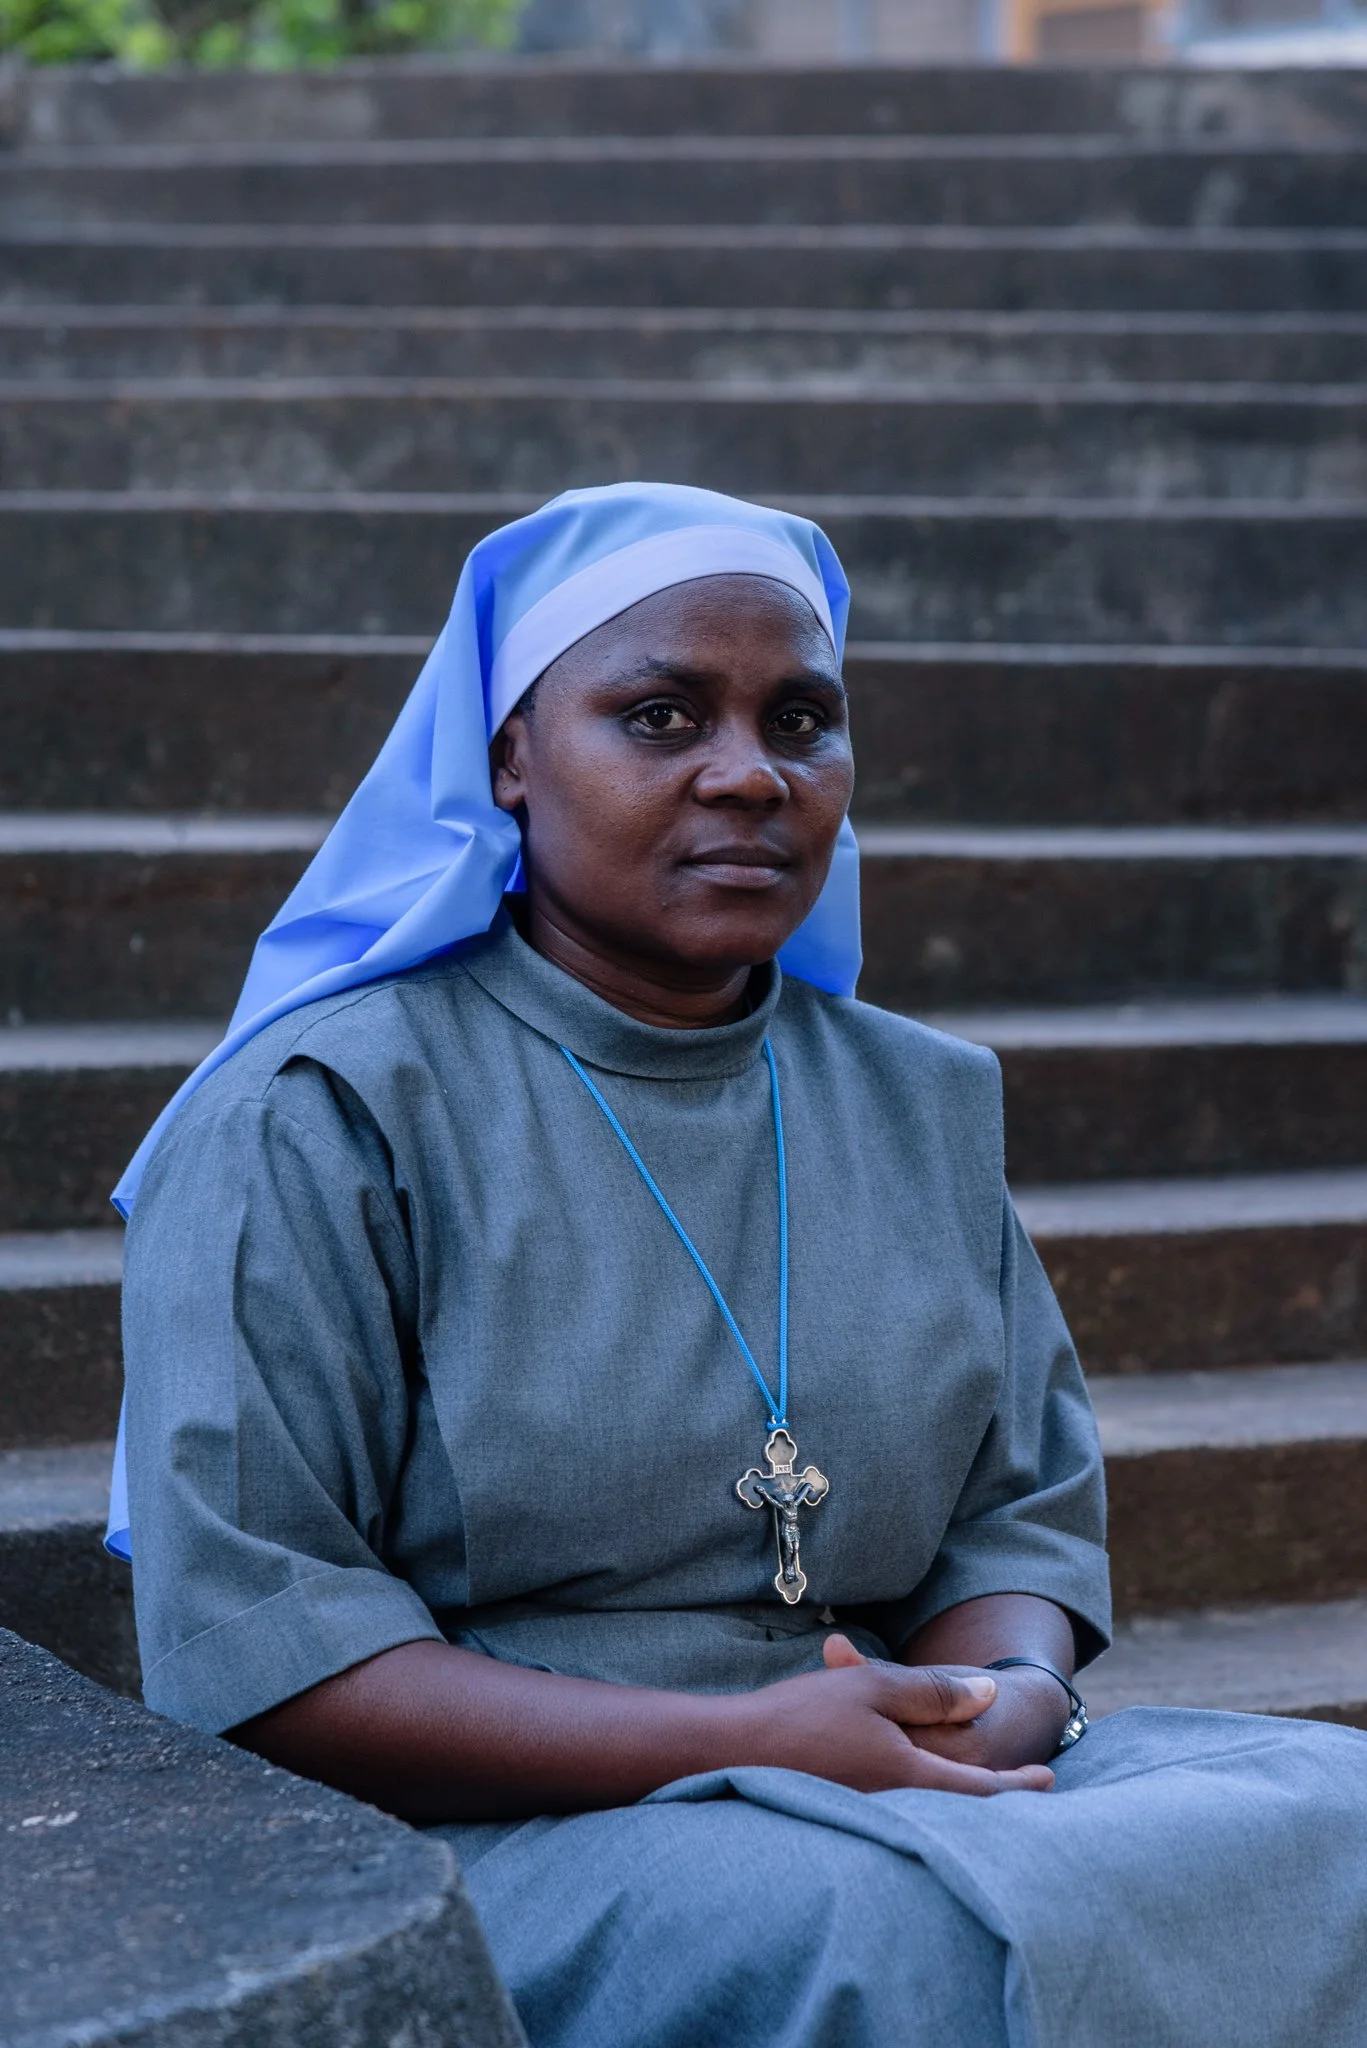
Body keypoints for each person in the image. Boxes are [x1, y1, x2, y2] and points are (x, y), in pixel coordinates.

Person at [117, 484, 1367, 2048]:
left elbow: (1013, 1521)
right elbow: (264, 1649)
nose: (747, 774)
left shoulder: (916, 1101)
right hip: (506, 1820)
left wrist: (1004, 1701)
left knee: (1345, 1825)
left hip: (884, 1763)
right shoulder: (321, 1115)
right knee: (900, 1946)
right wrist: (737, 1737)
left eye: (801, 720)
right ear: (506, 756)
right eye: (657, 716)